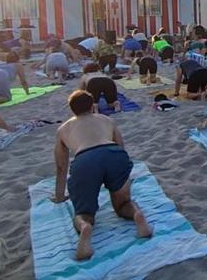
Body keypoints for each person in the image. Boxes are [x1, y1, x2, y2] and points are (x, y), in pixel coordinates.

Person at [52, 90, 152, 261]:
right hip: (113, 155)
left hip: (85, 160)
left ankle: (85, 227)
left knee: (84, 212)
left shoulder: (63, 129)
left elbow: (61, 166)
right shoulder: (107, 119)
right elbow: (121, 148)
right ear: (92, 106)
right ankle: (137, 215)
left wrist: (59, 196)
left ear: (71, 110)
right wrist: (123, 178)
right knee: (123, 204)